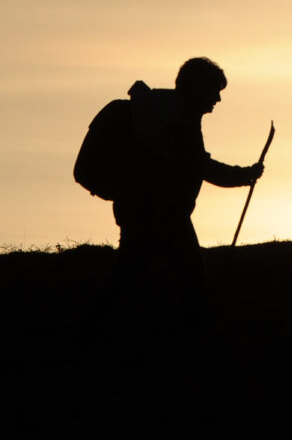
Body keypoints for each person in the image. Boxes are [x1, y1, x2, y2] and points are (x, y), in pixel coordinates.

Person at [104, 56, 263, 332]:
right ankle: (190, 341)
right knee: (190, 278)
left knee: (129, 276)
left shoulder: (167, 116)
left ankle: (96, 329)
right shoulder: (179, 122)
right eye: (214, 91)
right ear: (197, 88)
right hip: (163, 215)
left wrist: (242, 175)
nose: (217, 100)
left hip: (145, 211)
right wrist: (242, 175)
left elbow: (195, 163)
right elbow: (199, 165)